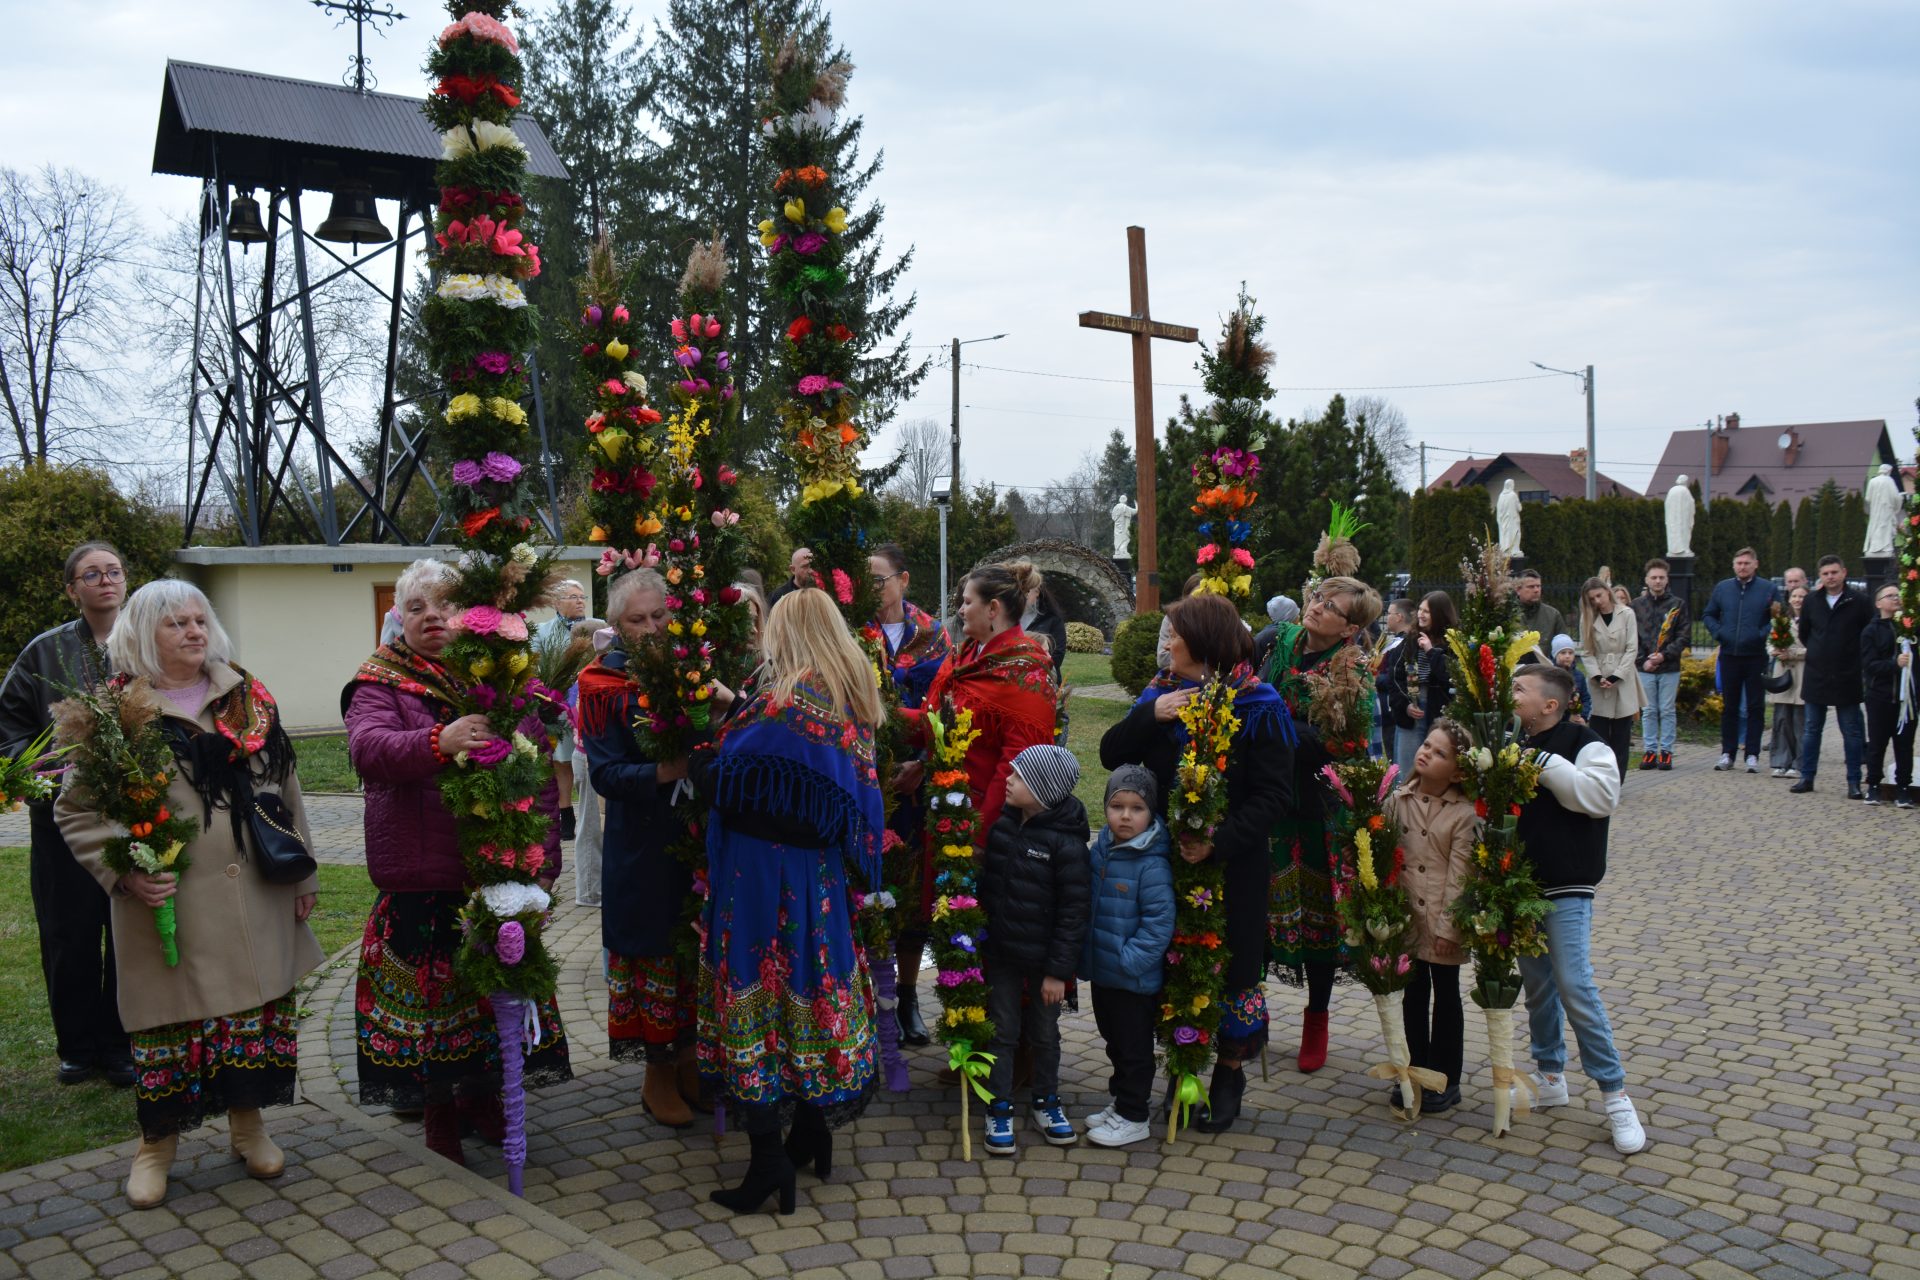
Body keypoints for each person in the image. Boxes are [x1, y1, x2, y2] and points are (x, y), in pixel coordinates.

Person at [57, 580, 323, 1206]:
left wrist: (304, 876)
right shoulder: (113, 713)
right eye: (175, 623)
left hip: (253, 891)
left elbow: (285, 787)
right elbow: (76, 810)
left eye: (199, 619)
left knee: (248, 1018)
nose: (193, 631)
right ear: (142, 634)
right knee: (168, 1030)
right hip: (165, 902)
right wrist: (125, 870)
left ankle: (249, 1127)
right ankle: (157, 1146)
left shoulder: (246, 696)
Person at [344, 559, 571, 1165]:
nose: (431, 617)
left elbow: (537, 774)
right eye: (415, 607)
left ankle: (482, 1099)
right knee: (435, 1009)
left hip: (496, 870)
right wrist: (436, 742)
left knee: (488, 996)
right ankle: (439, 1114)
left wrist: (545, 864)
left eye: (443, 604)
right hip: (424, 873)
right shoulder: (381, 680)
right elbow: (367, 749)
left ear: (466, 614)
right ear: (399, 617)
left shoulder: (499, 676)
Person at [691, 589, 883, 1215]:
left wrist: (702, 756)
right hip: (817, 876)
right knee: (807, 989)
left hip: (761, 876)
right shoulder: (848, 690)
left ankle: (768, 1159)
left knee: (760, 995)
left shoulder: (793, 701)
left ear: (789, 632)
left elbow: (735, 778)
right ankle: (811, 1131)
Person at [1106, 591, 1294, 1129]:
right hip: (1166, 862)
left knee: (1234, 969)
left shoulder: (1260, 705)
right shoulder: (1162, 693)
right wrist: (1151, 714)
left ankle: (1229, 1072)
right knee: (1174, 964)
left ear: (1204, 643)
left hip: (1234, 865)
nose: (1168, 644)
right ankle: (1183, 1064)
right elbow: (1111, 754)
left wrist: (1219, 841)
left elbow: (1274, 796)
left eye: (1177, 635)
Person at [0, 541, 131, 1087]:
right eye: (92, 574)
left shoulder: (146, 641)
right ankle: (77, 1047)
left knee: (127, 932)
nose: (106, 581)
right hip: (61, 820)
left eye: (114, 571)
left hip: (133, 816)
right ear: (72, 589)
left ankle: (122, 1044)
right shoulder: (44, 652)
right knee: (68, 934)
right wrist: (41, 775)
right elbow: (9, 725)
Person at [577, 568, 700, 1126]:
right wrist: (664, 770)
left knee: (693, 951)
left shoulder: (695, 669)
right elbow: (605, 774)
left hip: (696, 837)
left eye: (660, 616)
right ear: (617, 626)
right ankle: (658, 1074)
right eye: (638, 620)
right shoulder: (602, 683)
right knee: (654, 953)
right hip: (643, 845)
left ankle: (692, 1061)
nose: (652, 628)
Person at [1508, 664, 1645, 1155]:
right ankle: (1550, 1075)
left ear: (1551, 704)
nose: (1510, 694)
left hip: (1568, 884)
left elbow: (1600, 797)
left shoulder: (1586, 743)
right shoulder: (1510, 742)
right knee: (1538, 987)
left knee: (1574, 984)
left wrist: (1542, 763)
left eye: (1519, 689)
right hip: (1520, 886)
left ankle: (1615, 1094)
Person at [1263, 575, 1380, 1074]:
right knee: (1257, 907)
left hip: (1317, 808)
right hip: (1265, 795)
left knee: (1319, 921)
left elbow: (1346, 745)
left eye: (1331, 606)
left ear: (1349, 628)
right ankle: (1251, 1014)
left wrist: (1276, 724)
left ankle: (1317, 1017)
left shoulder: (1353, 671)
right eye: (1317, 597)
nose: (1316, 607)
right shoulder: (1279, 641)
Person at [978, 744, 1091, 1155]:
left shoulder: (1067, 845)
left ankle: (1046, 1100)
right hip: (1002, 955)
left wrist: (1058, 972)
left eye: (1019, 776)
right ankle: (999, 1105)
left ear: (1043, 790)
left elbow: (1073, 913)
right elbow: (989, 889)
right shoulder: (1003, 828)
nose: (1008, 781)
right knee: (1002, 1031)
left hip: (1045, 964)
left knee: (1044, 1034)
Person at [867, 544, 952, 1048]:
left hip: (917, 780)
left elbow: (949, 705)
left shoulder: (934, 634)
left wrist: (922, 763)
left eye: (879, 579)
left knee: (915, 892)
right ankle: (875, 995)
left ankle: (907, 996)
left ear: (903, 580)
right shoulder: (854, 631)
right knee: (873, 888)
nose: (872, 588)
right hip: (866, 776)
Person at [907, 562, 1058, 836]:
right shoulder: (962, 657)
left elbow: (1017, 762)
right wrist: (877, 714)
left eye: (967, 602)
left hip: (985, 823)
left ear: (992, 609)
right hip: (945, 809)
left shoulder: (1025, 671)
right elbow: (933, 723)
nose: (961, 610)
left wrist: (981, 834)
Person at [1079, 765, 1174, 1149]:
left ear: (1151, 813)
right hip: (1104, 972)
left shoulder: (1151, 863)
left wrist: (1129, 960)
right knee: (1113, 1041)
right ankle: (1121, 1101)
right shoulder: (1102, 850)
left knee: (1134, 1049)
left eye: (1137, 808)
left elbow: (1158, 924)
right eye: (1117, 806)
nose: (1125, 816)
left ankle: (1135, 1116)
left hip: (1132, 978)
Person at [1388, 719, 1477, 1114]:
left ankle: (1446, 1078)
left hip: (1442, 921)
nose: (1425, 753)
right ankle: (1413, 1071)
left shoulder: (1463, 814)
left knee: (1446, 997)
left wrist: (1450, 928)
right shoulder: (1397, 800)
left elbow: (1461, 876)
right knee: (1412, 995)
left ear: (1457, 772)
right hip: (1407, 918)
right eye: (1426, 745)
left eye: (1440, 753)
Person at [1791, 556, 1871, 797]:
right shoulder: (1812, 601)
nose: (1830, 577)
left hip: (1847, 674)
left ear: (1844, 572)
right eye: (1825, 573)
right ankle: (1807, 777)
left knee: (1851, 731)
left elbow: (1867, 633)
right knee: (1812, 729)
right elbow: (1805, 633)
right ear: (1820, 576)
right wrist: (1819, 651)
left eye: (1834, 572)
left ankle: (1853, 781)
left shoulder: (1859, 601)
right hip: (1817, 674)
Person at [1702, 547, 1781, 773]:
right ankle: (1727, 752)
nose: (1742, 567)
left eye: (1747, 563)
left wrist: (1760, 634)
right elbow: (1708, 614)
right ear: (1733, 565)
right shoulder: (1723, 588)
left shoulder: (1768, 589)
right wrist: (1720, 633)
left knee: (1755, 706)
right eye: (1739, 563)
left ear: (1755, 564)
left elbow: (1777, 617)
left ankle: (1752, 754)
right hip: (1729, 655)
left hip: (1755, 656)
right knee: (1730, 706)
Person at [534, 580, 590, 842]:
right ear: (557, 603)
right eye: (573, 597)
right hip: (558, 705)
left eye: (582, 597)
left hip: (589, 705)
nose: (580, 601)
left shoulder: (596, 628)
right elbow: (536, 667)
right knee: (562, 760)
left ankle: (590, 815)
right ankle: (566, 814)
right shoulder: (542, 631)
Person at [1387, 592, 1457, 781]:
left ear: (1439, 614)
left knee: (1434, 768)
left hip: (1439, 710)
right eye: (1420, 609)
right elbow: (1395, 677)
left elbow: (1452, 676)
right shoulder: (1410, 639)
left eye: (1427, 611)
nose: (1421, 614)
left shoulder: (1453, 641)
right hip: (1413, 708)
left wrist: (1431, 651)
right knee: (1406, 769)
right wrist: (1405, 704)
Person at [1577, 577, 1641, 780]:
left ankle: (1618, 779)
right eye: (1592, 599)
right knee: (1599, 734)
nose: (1597, 601)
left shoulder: (1627, 614)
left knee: (1622, 735)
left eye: (1599, 595)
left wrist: (1616, 675)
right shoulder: (1587, 618)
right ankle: (1600, 777)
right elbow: (1586, 651)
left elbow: (1632, 648)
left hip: (1623, 676)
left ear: (1607, 591)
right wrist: (1597, 676)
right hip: (1599, 677)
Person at [1631, 559, 1689, 771]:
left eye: (1661, 577)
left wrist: (1664, 656)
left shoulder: (1677, 605)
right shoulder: (1636, 606)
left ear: (1667, 579)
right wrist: (1643, 660)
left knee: (1666, 710)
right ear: (1647, 580)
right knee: (1648, 710)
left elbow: (1683, 635)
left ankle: (1666, 751)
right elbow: (1632, 636)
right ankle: (1649, 750)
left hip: (1669, 667)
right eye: (1654, 577)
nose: (1657, 581)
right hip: (1644, 667)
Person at [1860, 584, 1914, 807]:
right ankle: (1873, 785)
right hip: (1880, 697)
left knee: (1905, 745)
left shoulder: (1909, 628)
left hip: (1907, 699)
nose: (1895, 598)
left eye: (1897, 595)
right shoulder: (1871, 631)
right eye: (1890, 595)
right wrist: (1894, 664)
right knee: (1877, 743)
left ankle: (1903, 787)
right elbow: (1869, 665)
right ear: (1878, 603)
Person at [1766, 587, 1809, 778]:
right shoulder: (1782, 620)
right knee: (1782, 719)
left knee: (1800, 721)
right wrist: (1774, 650)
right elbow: (1770, 641)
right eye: (1795, 596)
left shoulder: (1812, 620)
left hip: (1802, 673)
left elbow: (1816, 646)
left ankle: (1799, 763)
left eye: (1802, 596)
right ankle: (1781, 761)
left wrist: (1793, 653)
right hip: (1783, 672)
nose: (1798, 600)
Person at [1372, 600, 1414, 764]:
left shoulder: (1404, 643)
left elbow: (1395, 676)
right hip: (1389, 707)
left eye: (1389, 613)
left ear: (1399, 617)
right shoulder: (1395, 641)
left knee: (1396, 758)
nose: (1387, 617)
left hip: (1395, 707)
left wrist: (1375, 677)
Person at [1020, 575, 1070, 680]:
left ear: (1037, 592)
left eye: (1027, 591)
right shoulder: (1007, 617)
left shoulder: (1052, 619)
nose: (1023, 595)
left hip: (1043, 677)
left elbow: (1058, 653)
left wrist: (1034, 673)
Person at [1513, 571, 1565, 663]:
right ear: (1518, 590)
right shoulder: (1507, 615)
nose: (1536, 590)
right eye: (1531, 587)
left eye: (1538, 586)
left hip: (1544, 669)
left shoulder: (1553, 615)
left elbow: (1564, 647)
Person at [1551, 634, 1593, 724]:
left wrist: (1583, 717)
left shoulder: (1579, 675)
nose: (1567, 656)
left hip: (1576, 721)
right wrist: (1567, 717)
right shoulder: (1550, 675)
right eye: (1563, 653)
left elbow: (1585, 698)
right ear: (1555, 655)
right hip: (1556, 722)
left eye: (1570, 653)